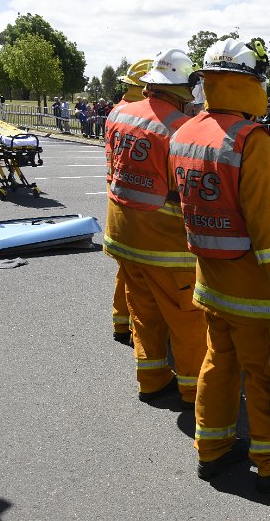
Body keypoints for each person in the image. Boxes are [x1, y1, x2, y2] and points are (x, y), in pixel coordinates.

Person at [169, 38, 270, 494]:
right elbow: (269, 238)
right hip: (254, 294)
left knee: (217, 363)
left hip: (210, 285)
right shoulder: (254, 142)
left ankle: (211, 450)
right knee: (266, 378)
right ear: (250, 83)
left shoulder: (185, 132)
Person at [103, 48, 207, 407]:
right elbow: (186, 190)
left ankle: (151, 379)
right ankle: (196, 393)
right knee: (188, 321)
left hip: (121, 235)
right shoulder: (181, 128)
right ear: (183, 90)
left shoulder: (118, 114)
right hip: (164, 245)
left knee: (143, 313)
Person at [105, 58, 153, 345]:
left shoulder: (117, 112)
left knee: (126, 268)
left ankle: (121, 322)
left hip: (118, 195)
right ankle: (131, 325)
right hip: (139, 204)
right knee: (138, 273)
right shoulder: (142, 116)